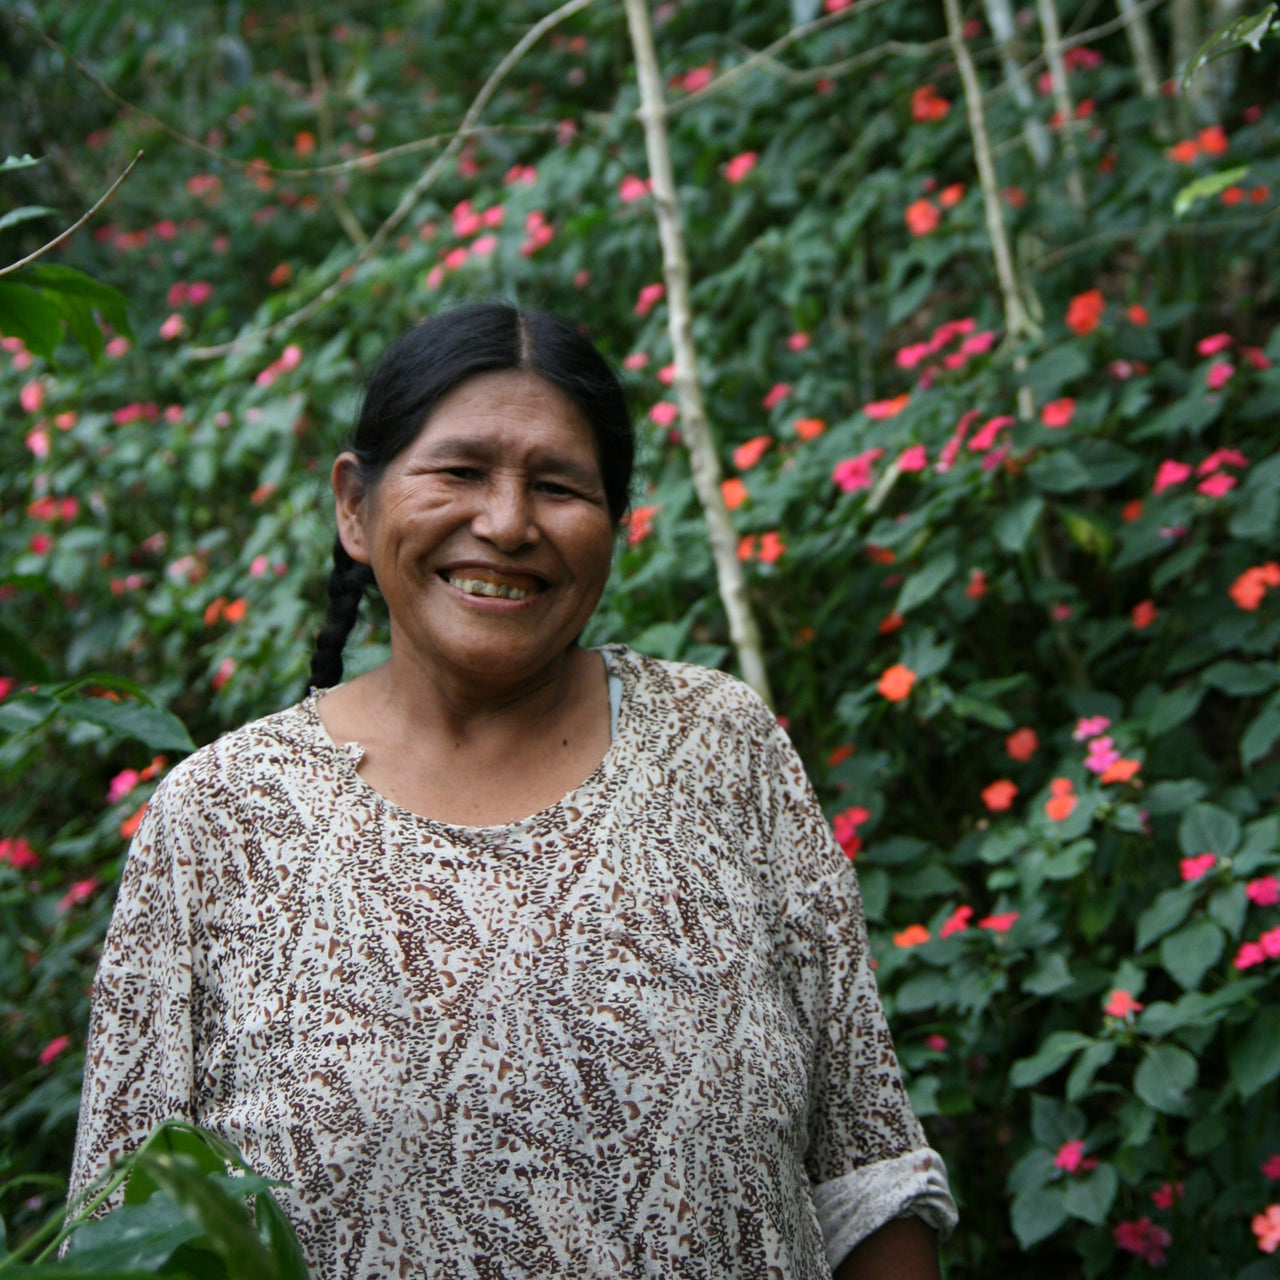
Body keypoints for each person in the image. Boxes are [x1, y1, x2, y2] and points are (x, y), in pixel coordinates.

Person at [69, 303, 956, 1279]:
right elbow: (122, 1233)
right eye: (458, 471)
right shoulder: (221, 818)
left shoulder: (719, 747)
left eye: (558, 485)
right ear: (354, 507)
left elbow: (867, 1174)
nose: (505, 521)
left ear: (617, 526)